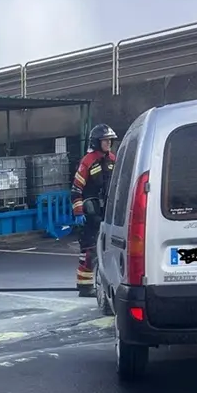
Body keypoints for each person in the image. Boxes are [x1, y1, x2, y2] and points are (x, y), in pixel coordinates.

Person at [70, 123, 118, 297]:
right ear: (97, 142)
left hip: (106, 213)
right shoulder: (87, 161)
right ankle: (84, 286)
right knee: (89, 250)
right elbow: (76, 189)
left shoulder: (113, 159)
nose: (109, 143)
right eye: (105, 140)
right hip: (89, 214)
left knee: (108, 250)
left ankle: (106, 283)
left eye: (110, 140)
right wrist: (78, 212)